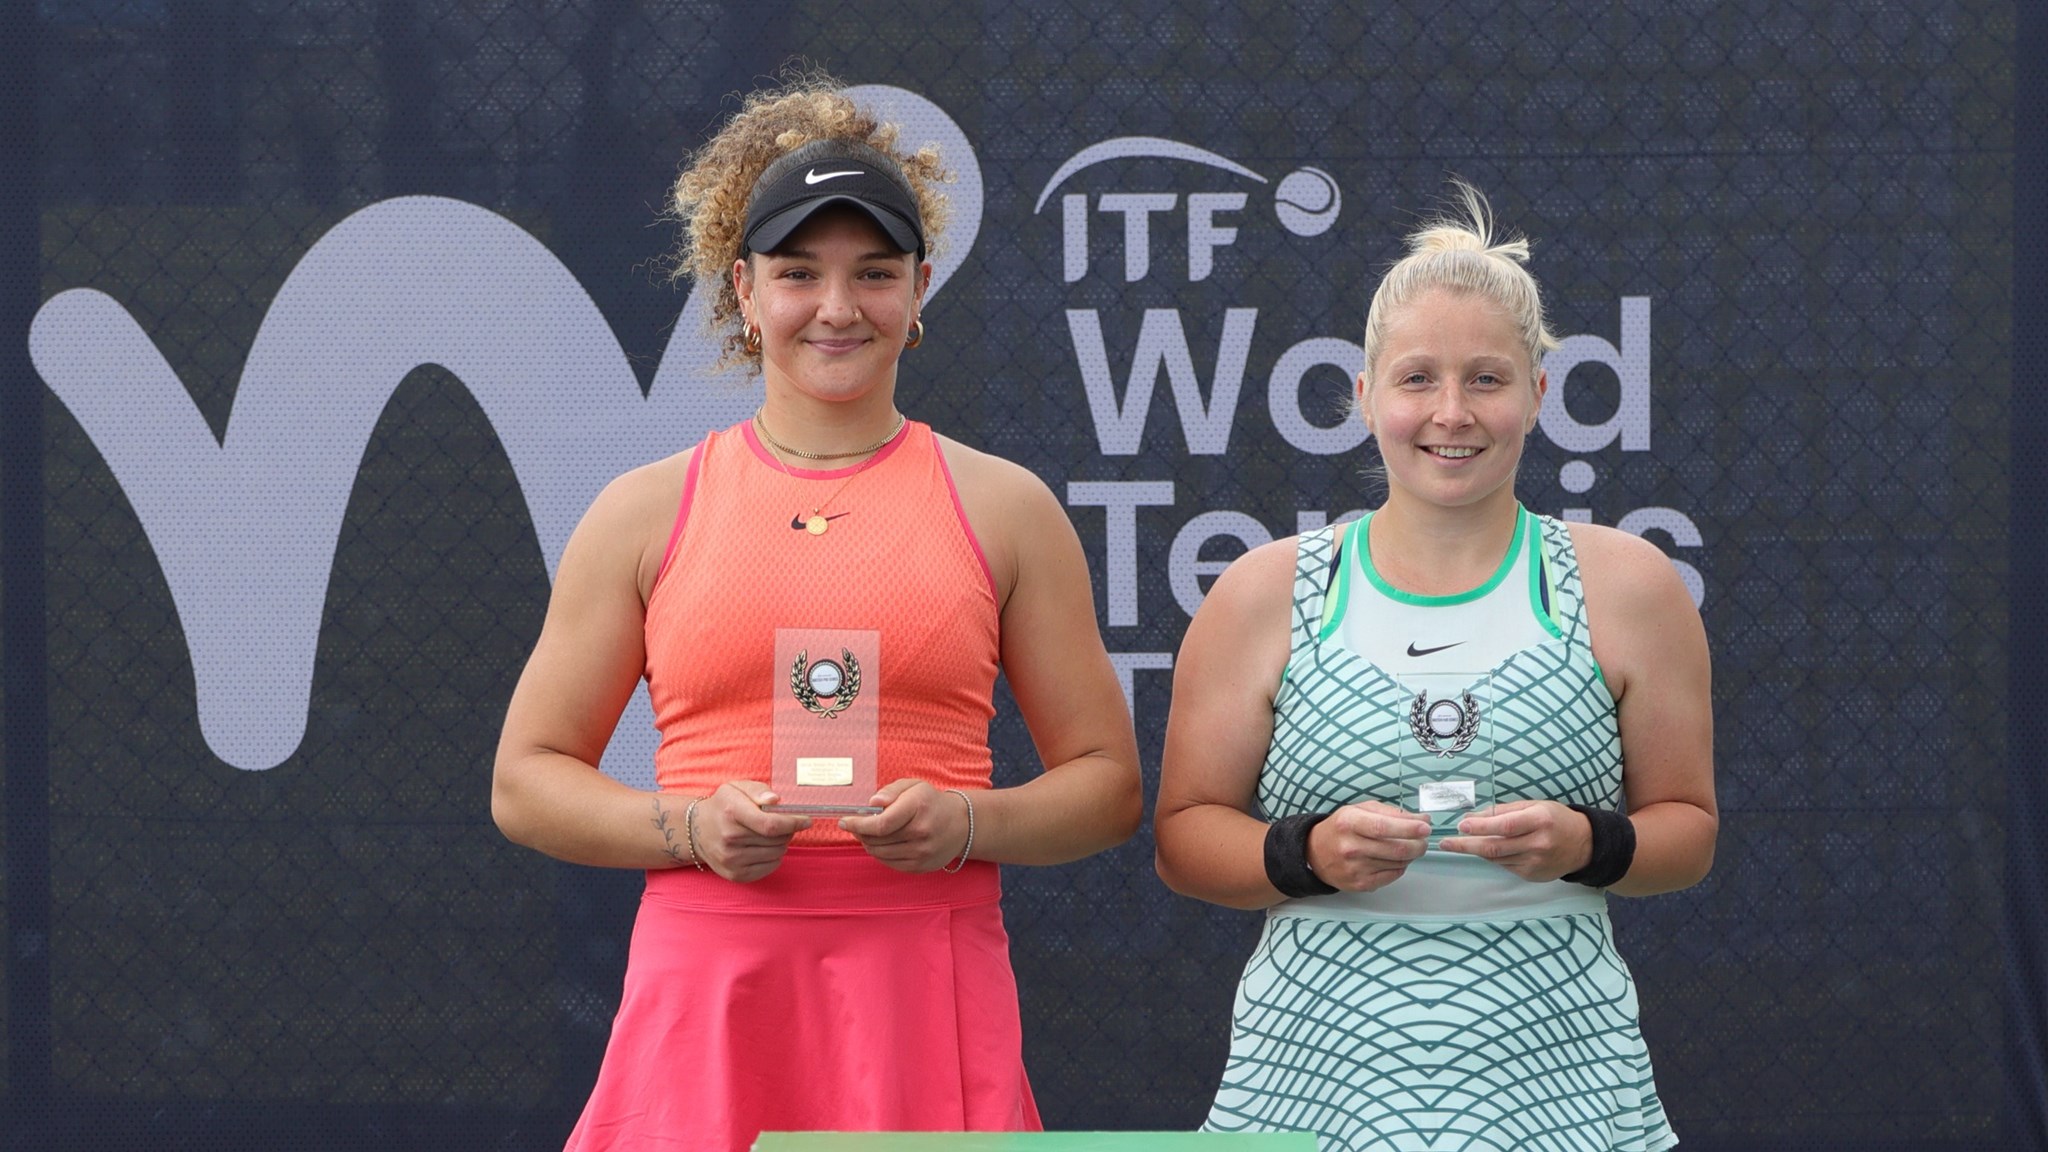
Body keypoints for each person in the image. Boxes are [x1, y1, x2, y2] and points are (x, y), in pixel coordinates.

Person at [492, 74, 1141, 1152]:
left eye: (873, 273)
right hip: (709, 985)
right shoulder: (643, 512)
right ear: (744, 292)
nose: (837, 308)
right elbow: (526, 781)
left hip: (925, 980)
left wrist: (966, 824)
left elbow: (1107, 787)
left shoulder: (1007, 508)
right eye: (799, 273)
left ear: (919, 290)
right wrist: (689, 828)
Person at [1154, 182, 1715, 1151]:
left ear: (1538, 395)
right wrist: (1305, 856)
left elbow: (1688, 832)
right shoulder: (1263, 593)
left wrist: (1587, 843)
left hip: (1564, 1087)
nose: (1450, 413)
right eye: (1417, 379)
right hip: (1313, 1086)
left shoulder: (1627, 586)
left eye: (1486, 379)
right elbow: (1183, 838)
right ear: (1363, 394)